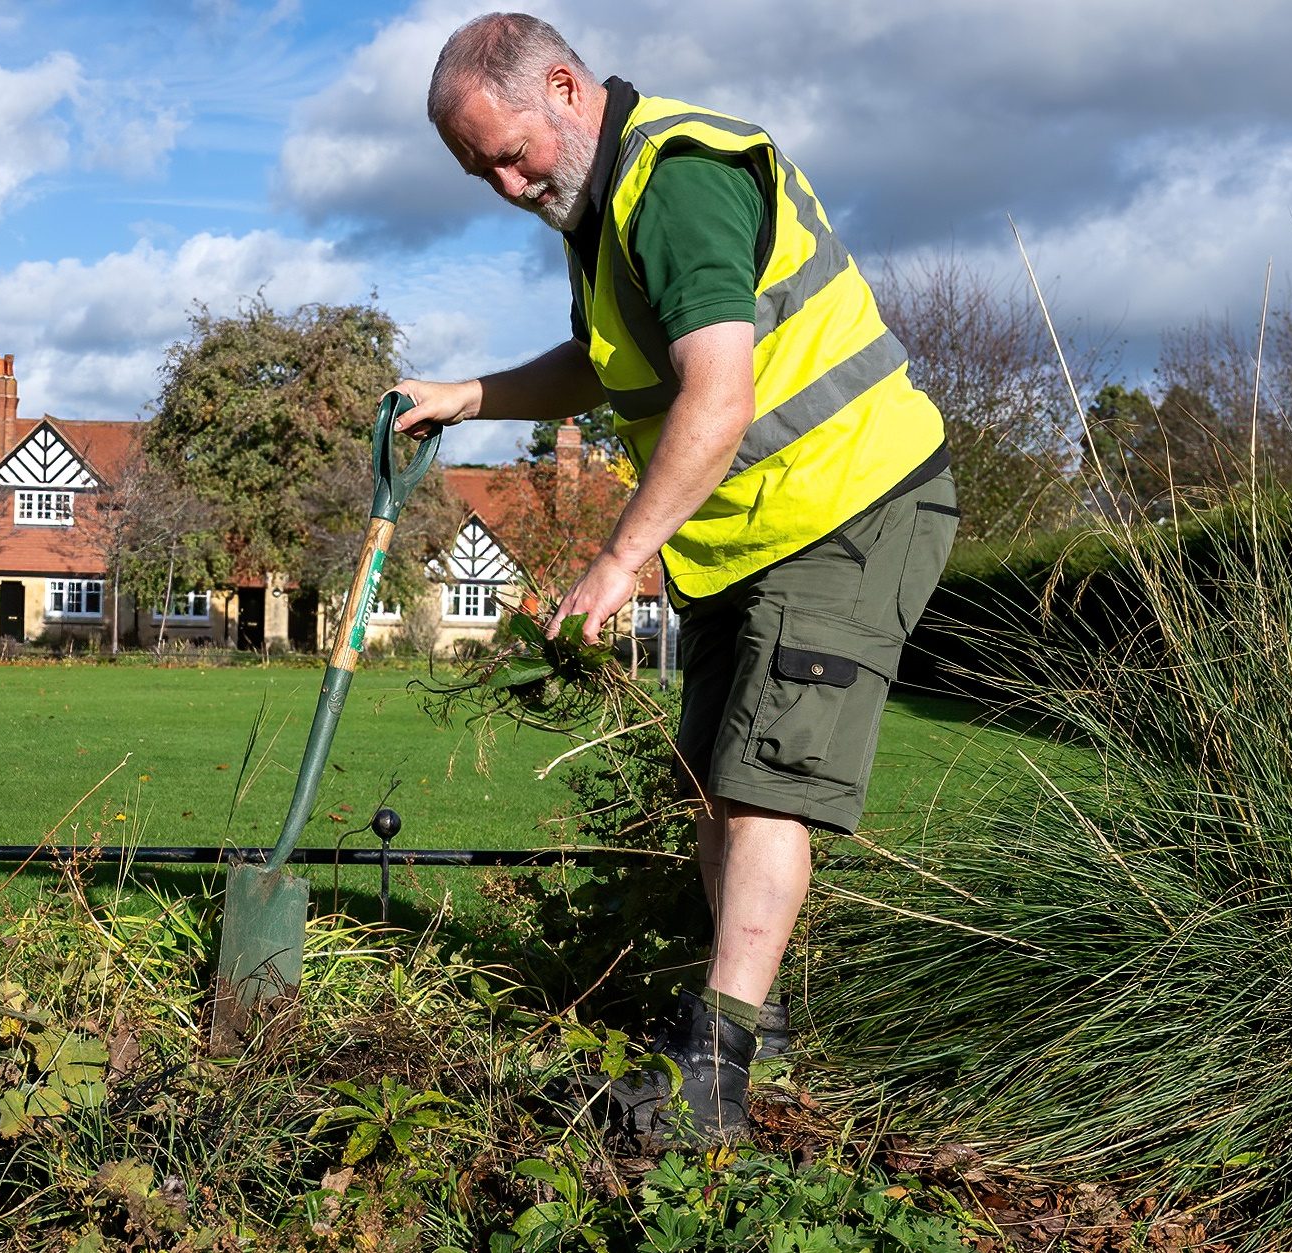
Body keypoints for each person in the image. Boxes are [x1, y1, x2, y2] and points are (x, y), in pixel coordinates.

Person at [393, 12, 958, 1144]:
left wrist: (616, 559)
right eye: (478, 172)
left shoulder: (680, 180)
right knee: (713, 782)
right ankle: (752, 1031)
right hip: (751, 536)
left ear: (562, 86)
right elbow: (598, 365)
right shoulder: (598, 214)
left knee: (764, 787)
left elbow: (717, 394)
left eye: (508, 153)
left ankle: (714, 1074)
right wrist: (470, 395)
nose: (504, 185)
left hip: (850, 505)